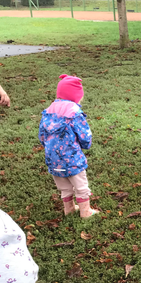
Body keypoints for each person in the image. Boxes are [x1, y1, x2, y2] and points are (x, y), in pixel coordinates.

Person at [39, 74, 98, 218]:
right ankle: (85, 212)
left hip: (53, 159)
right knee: (80, 185)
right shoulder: (74, 113)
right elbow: (84, 135)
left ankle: (69, 209)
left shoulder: (48, 111)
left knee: (64, 187)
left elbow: (42, 136)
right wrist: (86, 144)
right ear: (76, 96)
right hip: (72, 159)